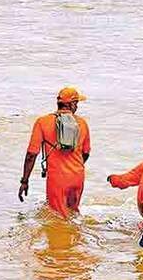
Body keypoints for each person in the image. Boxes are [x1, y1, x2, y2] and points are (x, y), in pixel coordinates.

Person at [18, 87, 92, 216]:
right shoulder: (82, 123)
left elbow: (31, 154)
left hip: (57, 179)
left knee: (58, 218)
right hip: (77, 177)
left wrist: (25, 181)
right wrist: (73, 167)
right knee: (73, 214)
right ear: (71, 104)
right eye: (77, 103)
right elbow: (86, 153)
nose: (77, 107)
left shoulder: (42, 122)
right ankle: (77, 235)